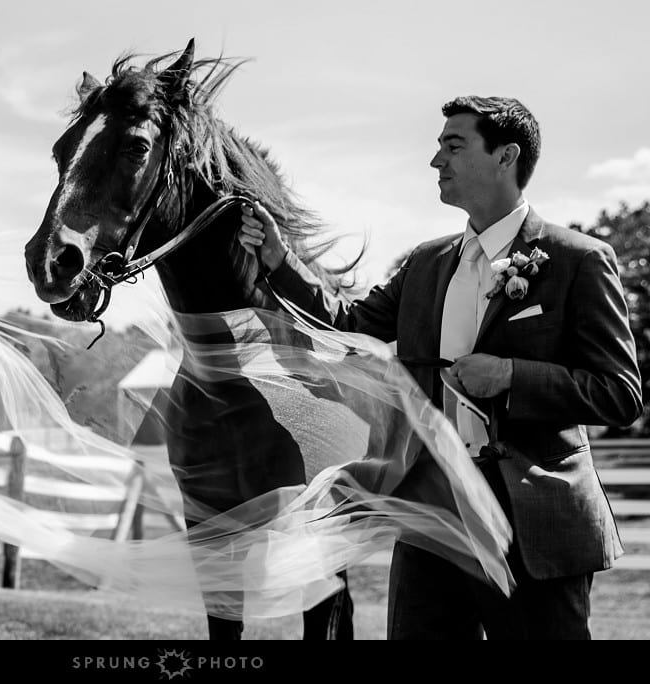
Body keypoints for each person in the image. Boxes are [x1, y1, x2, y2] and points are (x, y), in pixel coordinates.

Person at [238, 96, 643, 639]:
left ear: (506, 156)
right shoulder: (426, 262)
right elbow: (347, 322)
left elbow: (619, 393)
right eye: (437, 147)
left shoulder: (579, 259)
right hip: (432, 510)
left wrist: (509, 376)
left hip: (534, 523)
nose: (436, 161)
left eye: (453, 145)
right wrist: (279, 260)